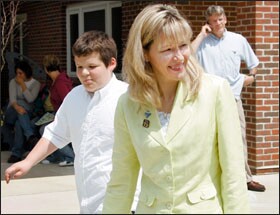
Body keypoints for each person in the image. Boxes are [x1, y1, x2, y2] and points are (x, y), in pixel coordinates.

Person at [102, 4, 250, 214]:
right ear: (145, 53)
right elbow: (121, 181)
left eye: (183, 45)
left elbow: (234, 174)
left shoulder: (215, 91)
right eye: (167, 49)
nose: (179, 56)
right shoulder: (128, 104)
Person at [5, 30, 139, 214]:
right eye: (79, 67)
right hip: (88, 202)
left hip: (126, 204)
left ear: (111, 63)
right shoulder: (74, 97)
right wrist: (28, 162)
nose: (84, 73)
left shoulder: (129, 98)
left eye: (92, 66)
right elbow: (55, 134)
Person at [191, 5, 265, 192]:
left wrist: (252, 77)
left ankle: (246, 179)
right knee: (208, 138)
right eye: (214, 20)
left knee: (239, 137)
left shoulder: (237, 40)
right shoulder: (203, 43)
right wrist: (200, 35)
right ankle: (210, 178)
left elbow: (254, 63)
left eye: (220, 19)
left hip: (233, 97)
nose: (218, 23)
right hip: (208, 98)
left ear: (226, 19)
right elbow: (187, 57)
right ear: (208, 23)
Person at [39, 54, 75, 167]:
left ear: (46, 68)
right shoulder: (58, 80)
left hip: (65, 116)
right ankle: (56, 156)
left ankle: (70, 157)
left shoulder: (60, 82)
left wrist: (60, 117)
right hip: (59, 114)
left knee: (45, 130)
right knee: (44, 129)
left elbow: (67, 101)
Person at [3, 60, 41, 163]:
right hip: (12, 112)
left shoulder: (35, 84)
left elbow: (30, 99)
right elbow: (13, 100)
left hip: (25, 114)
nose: (18, 76)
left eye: (20, 73)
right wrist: (18, 107)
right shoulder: (13, 82)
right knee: (20, 103)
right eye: (17, 73)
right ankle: (30, 135)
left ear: (26, 72)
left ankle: (16, 154)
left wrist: (22, 85)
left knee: (19, 123)